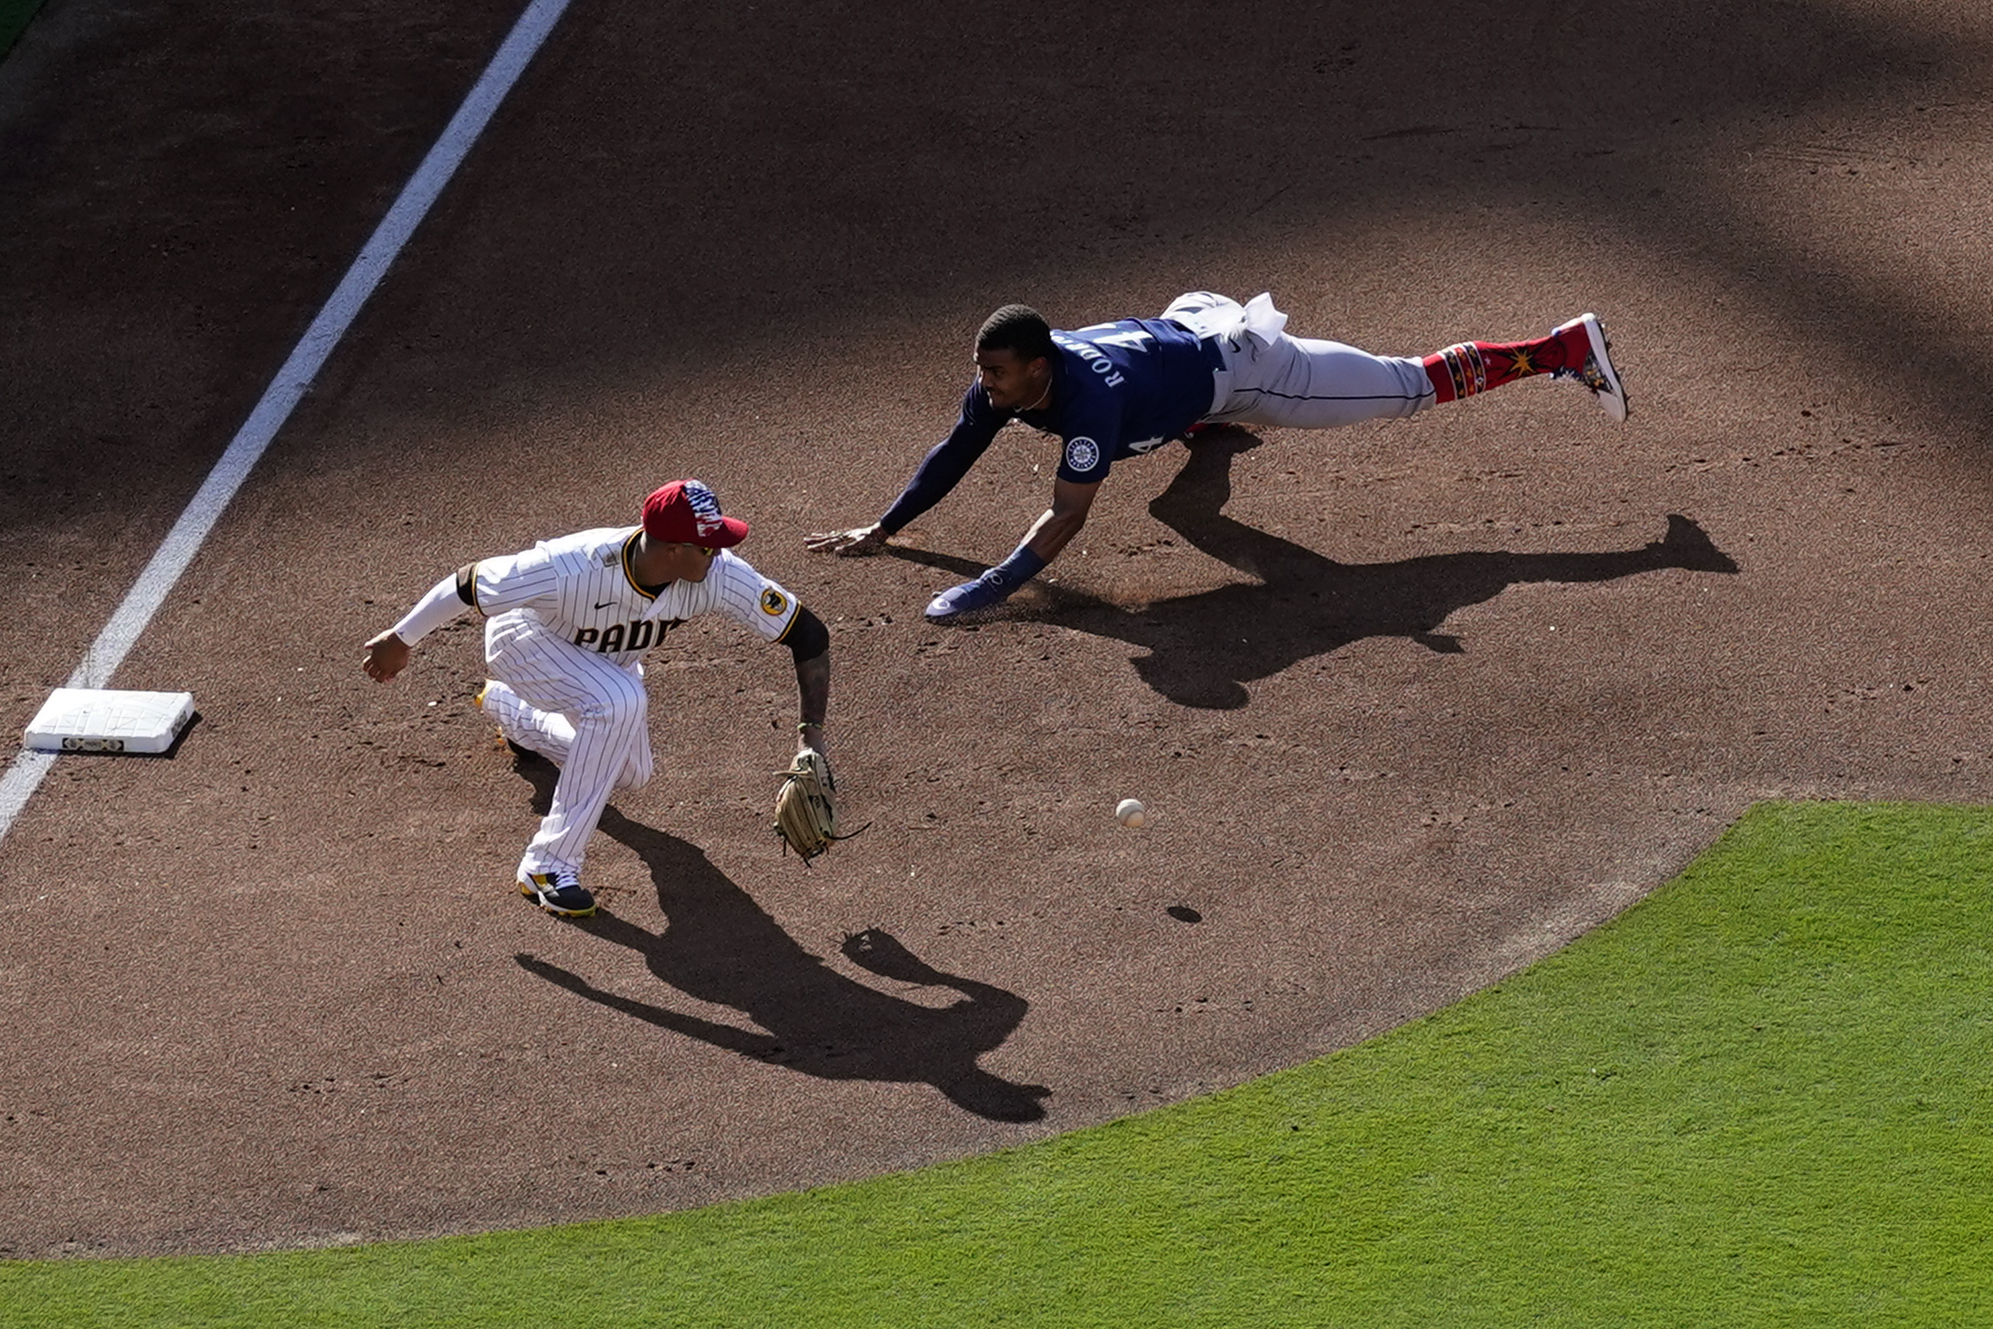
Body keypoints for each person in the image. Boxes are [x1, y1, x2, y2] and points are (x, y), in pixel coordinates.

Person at [805, 292, 1629, 620]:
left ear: (1038, 366)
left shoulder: (1087, 402)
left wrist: (992, 587)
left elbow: (1065, 514)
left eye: (995, 372)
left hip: (1243, 366)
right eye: (982, 371)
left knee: (1405, 387)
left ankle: (1557, 349)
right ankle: (1190, 427)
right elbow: (957, 448)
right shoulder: (1010, 383)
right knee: (1173, 497)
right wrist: (884, 526)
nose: (982, 385)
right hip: (1179, 340)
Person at [361, 480, 832, 919]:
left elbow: (809, 635)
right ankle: (547, 865)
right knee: (619, 701)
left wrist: (811, 741)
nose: (721, 553)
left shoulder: (717, 575)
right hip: (525, 643)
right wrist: (401, 639)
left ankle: (514, 715)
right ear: (673, 550)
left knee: (629, 773)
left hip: (603, 667)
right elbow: (468, 582)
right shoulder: (572, 565)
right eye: (708, 545)